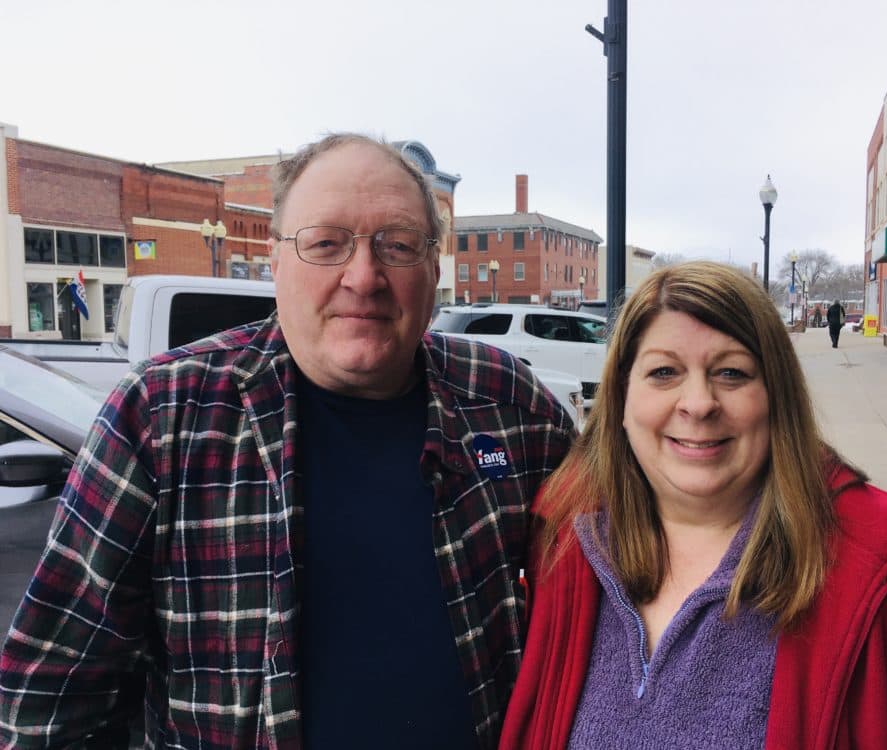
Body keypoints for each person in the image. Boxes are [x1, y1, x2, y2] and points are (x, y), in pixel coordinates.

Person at [0, 134, 576, 749]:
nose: (364, 276)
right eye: (326, 244)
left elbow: (627, 579)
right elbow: (51, 700)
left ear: (435, 267)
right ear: (275, 262)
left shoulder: (511, 405)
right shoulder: (164, 416)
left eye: (398, 245)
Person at [501, 262, 887, 749]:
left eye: (732, 373)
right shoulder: (563, 546)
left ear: (777, 397)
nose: (698, 403)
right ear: (621, 399)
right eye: (664, 372)